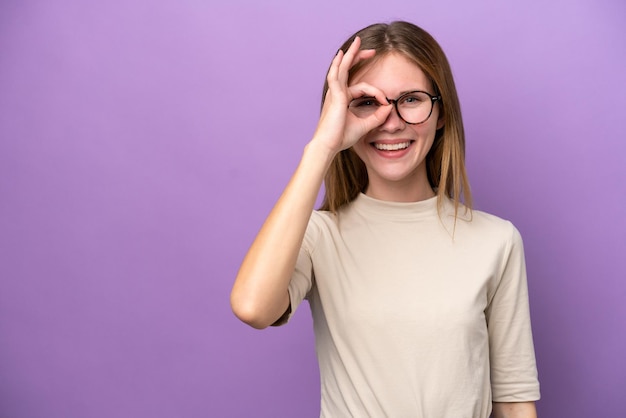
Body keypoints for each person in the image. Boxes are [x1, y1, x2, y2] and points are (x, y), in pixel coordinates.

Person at [231, 21, 540, 418]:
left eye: (411, 99)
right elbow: (252, 307)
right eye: (367, 102)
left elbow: (513, 402)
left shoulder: (497, 241)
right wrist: (322, 146)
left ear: (441, 113)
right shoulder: (318, 237)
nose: (390, 122)